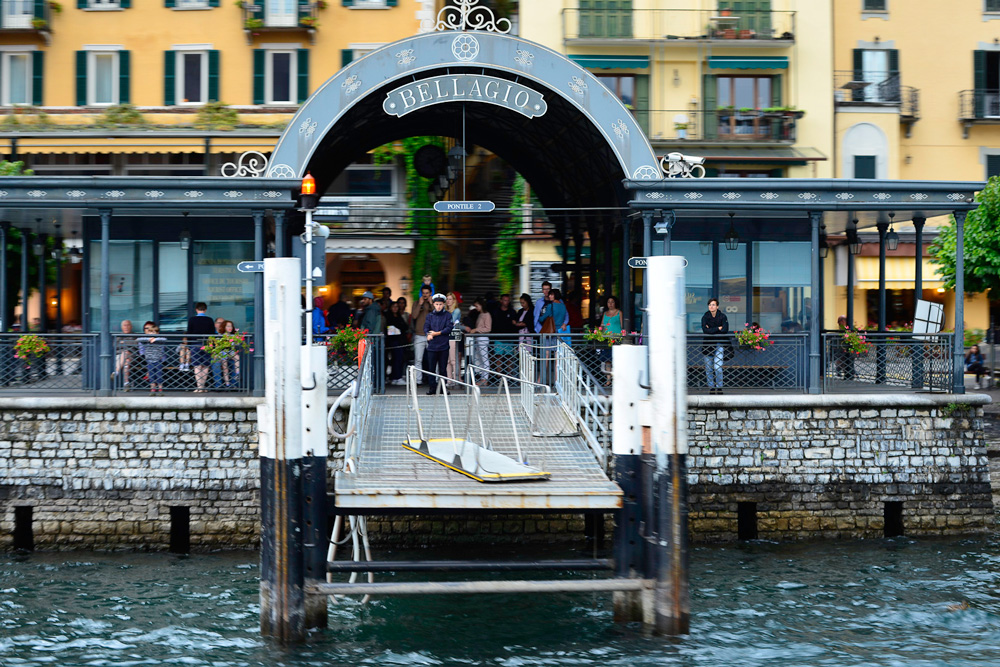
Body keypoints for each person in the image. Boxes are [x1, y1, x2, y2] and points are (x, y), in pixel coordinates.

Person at [423, 293, 453, 395]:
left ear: (443, 304)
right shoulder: (430, 316)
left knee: (442, 369)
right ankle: (432, 388)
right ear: (433, 304)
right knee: (431, 369)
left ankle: (443, 388)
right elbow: (426, 327)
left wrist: (437, 333)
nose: (438, 306)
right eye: (436, 304)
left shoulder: (447, 315)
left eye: (440, 304)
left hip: (443, 346)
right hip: (432, 347)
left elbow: (449, 328)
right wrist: (428, 334)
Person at [186, 302, 216, 393]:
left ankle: (199, 387)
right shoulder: (210, 320)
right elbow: (212, 334)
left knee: (197, 365)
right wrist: (213, 346)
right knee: (206, 365)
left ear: (196, 309)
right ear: (205, 310)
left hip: (195, 344)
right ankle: (203, 386)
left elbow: (189, 333)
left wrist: (189, 345)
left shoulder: (192, 319)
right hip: (207, 344)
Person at [701, 297, 729, 395]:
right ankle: (711, 387)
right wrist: (718, 328)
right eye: (709, 305)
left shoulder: (723, 316)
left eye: (713, 305)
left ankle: (719, 387)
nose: (711, 306)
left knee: (717, 367)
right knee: (708, 368)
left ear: (717, 306)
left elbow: (725, 330)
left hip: (719, 344)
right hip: (708, 345)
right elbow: (705, 330)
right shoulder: (705, 317)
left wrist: (711, 329)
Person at [463, 297, 492, 383]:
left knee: (484, 358)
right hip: (478, 338)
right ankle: (482, 376)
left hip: (483, 338)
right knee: (478, 359)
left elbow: (488, 328)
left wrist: (476, 330)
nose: (476, 308)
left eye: (477, 306)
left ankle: (485, 378)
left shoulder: (487, 315)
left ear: (481, 305)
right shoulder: (480, 315)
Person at [410, 285, 433, 384]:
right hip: (419, 335)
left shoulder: (434, 303)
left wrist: (431, 303)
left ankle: (434, 380)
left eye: (427, 293)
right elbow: (414, 316)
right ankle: (418, 381)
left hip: (431, 334)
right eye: (423, 293)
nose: (425, 295)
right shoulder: (416, 303)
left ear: (430, 294)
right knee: (418, 359)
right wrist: (420, 304)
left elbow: (437, 314)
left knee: (433, 359)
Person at [137, 325, 167, 394]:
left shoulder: (159, 340)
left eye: (154, 332)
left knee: (159, 375)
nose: (152, 333)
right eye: (150, 332)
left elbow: (164, 339)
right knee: (151, 375)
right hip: (149, 360)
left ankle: (160, 388)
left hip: (158, 360)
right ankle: (153, 388)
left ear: (157, 333)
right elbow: (138, 339)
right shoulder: (146, 341)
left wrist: (155, 339)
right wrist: (148, 339)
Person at [600, 296, 624, 384]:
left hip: (617, 338)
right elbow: (602, 325)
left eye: (612, 302)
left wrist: (622, 334)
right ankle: (608, 379)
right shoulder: (605, 313)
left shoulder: (619, 312)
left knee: (617, 358)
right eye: (608, 302)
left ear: (615, 303)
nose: (610, 304)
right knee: (607, 359)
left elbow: (622, 325)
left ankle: (617, 379)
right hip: (607, 338)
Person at [386, 300, 410, 386]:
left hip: (401, 341)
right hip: (393, 341)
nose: (395, 308)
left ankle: (396, 377)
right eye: (393, 307)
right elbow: (390, 330)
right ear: (390, 308)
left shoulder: (399, 316)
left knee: (399, 359)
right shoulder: (389, 317)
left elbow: (405, 327)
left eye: (397, 307)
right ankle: (396, 377)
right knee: (396, 359)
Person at [113, 319, 135, 391]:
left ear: (131, 327)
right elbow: (115, 346)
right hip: (119, 357)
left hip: (132, 356)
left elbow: (136, 344)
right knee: (126, 362)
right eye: (124, 325)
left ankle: (116, 371)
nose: (126, 327)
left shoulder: (134, 335)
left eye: (128, 325)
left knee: (126, 353)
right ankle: (126, 383)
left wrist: (124, 342)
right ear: (122, 327)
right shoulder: (118, 336)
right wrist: (128, 343)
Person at [446, 292, 463, 383]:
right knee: (447, 360)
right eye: (447, 299)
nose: (448, 301)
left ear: (454, 300)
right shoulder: (444, 311)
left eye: (450, 299)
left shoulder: (456, 310)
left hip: (453, 336)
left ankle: (456, 378)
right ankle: (449, 379)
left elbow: (450, 322)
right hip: (445, 336)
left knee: (453, 359)